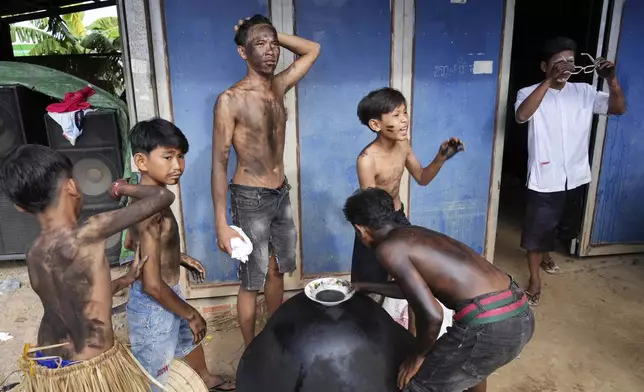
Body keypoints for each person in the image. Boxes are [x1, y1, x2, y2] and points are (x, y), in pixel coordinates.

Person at [0, 144, 174, 392]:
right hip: (92, 369)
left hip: (49, 363)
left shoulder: (34, 253)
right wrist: (122, 187)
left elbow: (73, 298)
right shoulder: (92, 229)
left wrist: (125, 280)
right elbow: (163, 197)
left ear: (20, 207)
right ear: (71, 186)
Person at [344, 188, 535, 392]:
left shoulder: (388, 249)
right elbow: (413, 290)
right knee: (474, 366)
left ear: (360, 229)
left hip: (488, 328)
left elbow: (433, 315)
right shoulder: (414, 234)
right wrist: (364, 287)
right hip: (519, 314)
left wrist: (418, 356)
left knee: (417, 385)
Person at [212, 14, 320, 346]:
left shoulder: (278, 86)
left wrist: (271, 32)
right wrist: (221, 222)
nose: (270, 51)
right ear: (243, 53)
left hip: (280, 194)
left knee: (277, 270)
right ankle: (250, 351)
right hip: (250, 197)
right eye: (260, 45)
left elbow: (312, 50)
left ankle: (273, 339)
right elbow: (219, 162)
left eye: (273, 44)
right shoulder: (230, 100)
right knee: (251, 279)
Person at [514, 37, 626, 306]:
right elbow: (521, 116)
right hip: (545, 176)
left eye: (570, 62)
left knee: (560, 225)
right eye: (558, 63)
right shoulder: (529, 91)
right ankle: (534, 278)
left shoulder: (584, 92)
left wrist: (611, 80)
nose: (565, 67)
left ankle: (547, 255)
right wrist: (548, 82)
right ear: (544, 66)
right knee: (536, 231)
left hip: (575, 174)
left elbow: (618, 108)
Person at [125, 118, 235, 391]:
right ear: (141, 161)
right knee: (157, 372)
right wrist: (189, 312)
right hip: (154, 303)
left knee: (189, 339)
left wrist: (179, 256)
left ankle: (204, 378)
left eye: (181, 156)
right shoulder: (149, 210)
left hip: (167, 290)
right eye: (168, 157)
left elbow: (130, 242)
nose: (177, 165)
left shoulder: (152, 196)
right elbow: (151, 285)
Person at [353, 87, 464, 333]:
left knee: (415, 283)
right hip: (375, 225)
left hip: (398, 219)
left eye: (405, 112)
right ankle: (369, 336)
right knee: (368, 287)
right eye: (395, 115)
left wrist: (441, 157)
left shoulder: (403, 145)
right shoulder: (367, 159)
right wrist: (384, 240)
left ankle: (413, 339)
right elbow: (370, 208)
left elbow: (422, 177)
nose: (404, 120)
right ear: (376, 124)